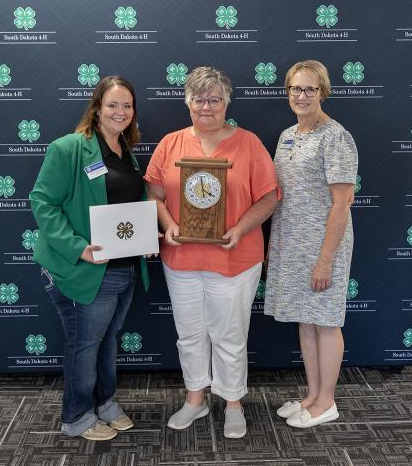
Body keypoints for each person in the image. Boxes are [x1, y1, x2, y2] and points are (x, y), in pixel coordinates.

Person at [145, 66, 278, 439]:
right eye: (199, 99)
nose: (207, 107)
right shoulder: (170, 143)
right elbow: (154, 194)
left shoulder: (249, 143)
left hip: (234, 258)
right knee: (189, 334)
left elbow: (269, 196)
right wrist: (169, 224)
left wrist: (239, 228)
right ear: (187, 102)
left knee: (230, 334)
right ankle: (195, 399)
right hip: (182, 260)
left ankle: (233, 402)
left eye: (215, 99)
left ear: (226, 103)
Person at [30, 76, 151, 441]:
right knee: (85, 344)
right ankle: (76, 417)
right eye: (113, 104)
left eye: (127, 106)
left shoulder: (125, 151)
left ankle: (106, 403)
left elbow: (126, 208)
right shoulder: (68, 148)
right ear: (97, 107)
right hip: (86, 268)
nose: (120, 112)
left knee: (108, 338)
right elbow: (42, 202)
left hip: (124, 266)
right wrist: (77, 246)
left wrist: (146, 236)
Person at [264, 60, 358, 428]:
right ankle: (312, 395)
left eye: (309, 89)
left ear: (323, 92)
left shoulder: (336, 137)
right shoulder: (288, 135)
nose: (301, 96)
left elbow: (342, 203)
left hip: (323, 245)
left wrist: (325, 260)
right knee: (306, 322)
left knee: (325, 321)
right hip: (291, 243)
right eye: (295, 89)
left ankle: (328, 402)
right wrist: (276, 247)